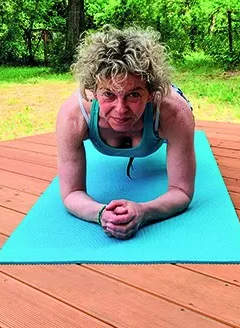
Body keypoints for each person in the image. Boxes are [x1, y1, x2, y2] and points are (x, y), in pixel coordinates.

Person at [55, 26, 195, 240]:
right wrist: (101, 214)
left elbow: (182, 191)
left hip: (161, 114)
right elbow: (71, 192)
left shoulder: (173, 112)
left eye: (133, 95)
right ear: (93, 92)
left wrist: (144, 211)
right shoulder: (74, 116)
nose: (121, 110)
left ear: (150, 93)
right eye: (109, 94)